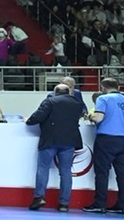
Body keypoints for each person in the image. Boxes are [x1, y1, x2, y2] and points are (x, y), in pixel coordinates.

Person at [24, 83, 85, 212]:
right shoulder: (77, 103)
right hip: (69, 140)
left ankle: (39, 197)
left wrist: (28, 120)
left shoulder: (50, 101)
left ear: (55, 92)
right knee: (66, 172)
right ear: (69, 92)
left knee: (43, 168)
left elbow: (37, 117)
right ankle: (64, 203)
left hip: (50, 140)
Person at [83, 78, 124, 214]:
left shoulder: (103, 99)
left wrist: (89, 116)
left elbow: (98, 118)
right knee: (123, 173)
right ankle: (123, 205)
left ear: (103, 87)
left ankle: (100, 203)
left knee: (102, 172)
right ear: (118, 87)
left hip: (106, 139)